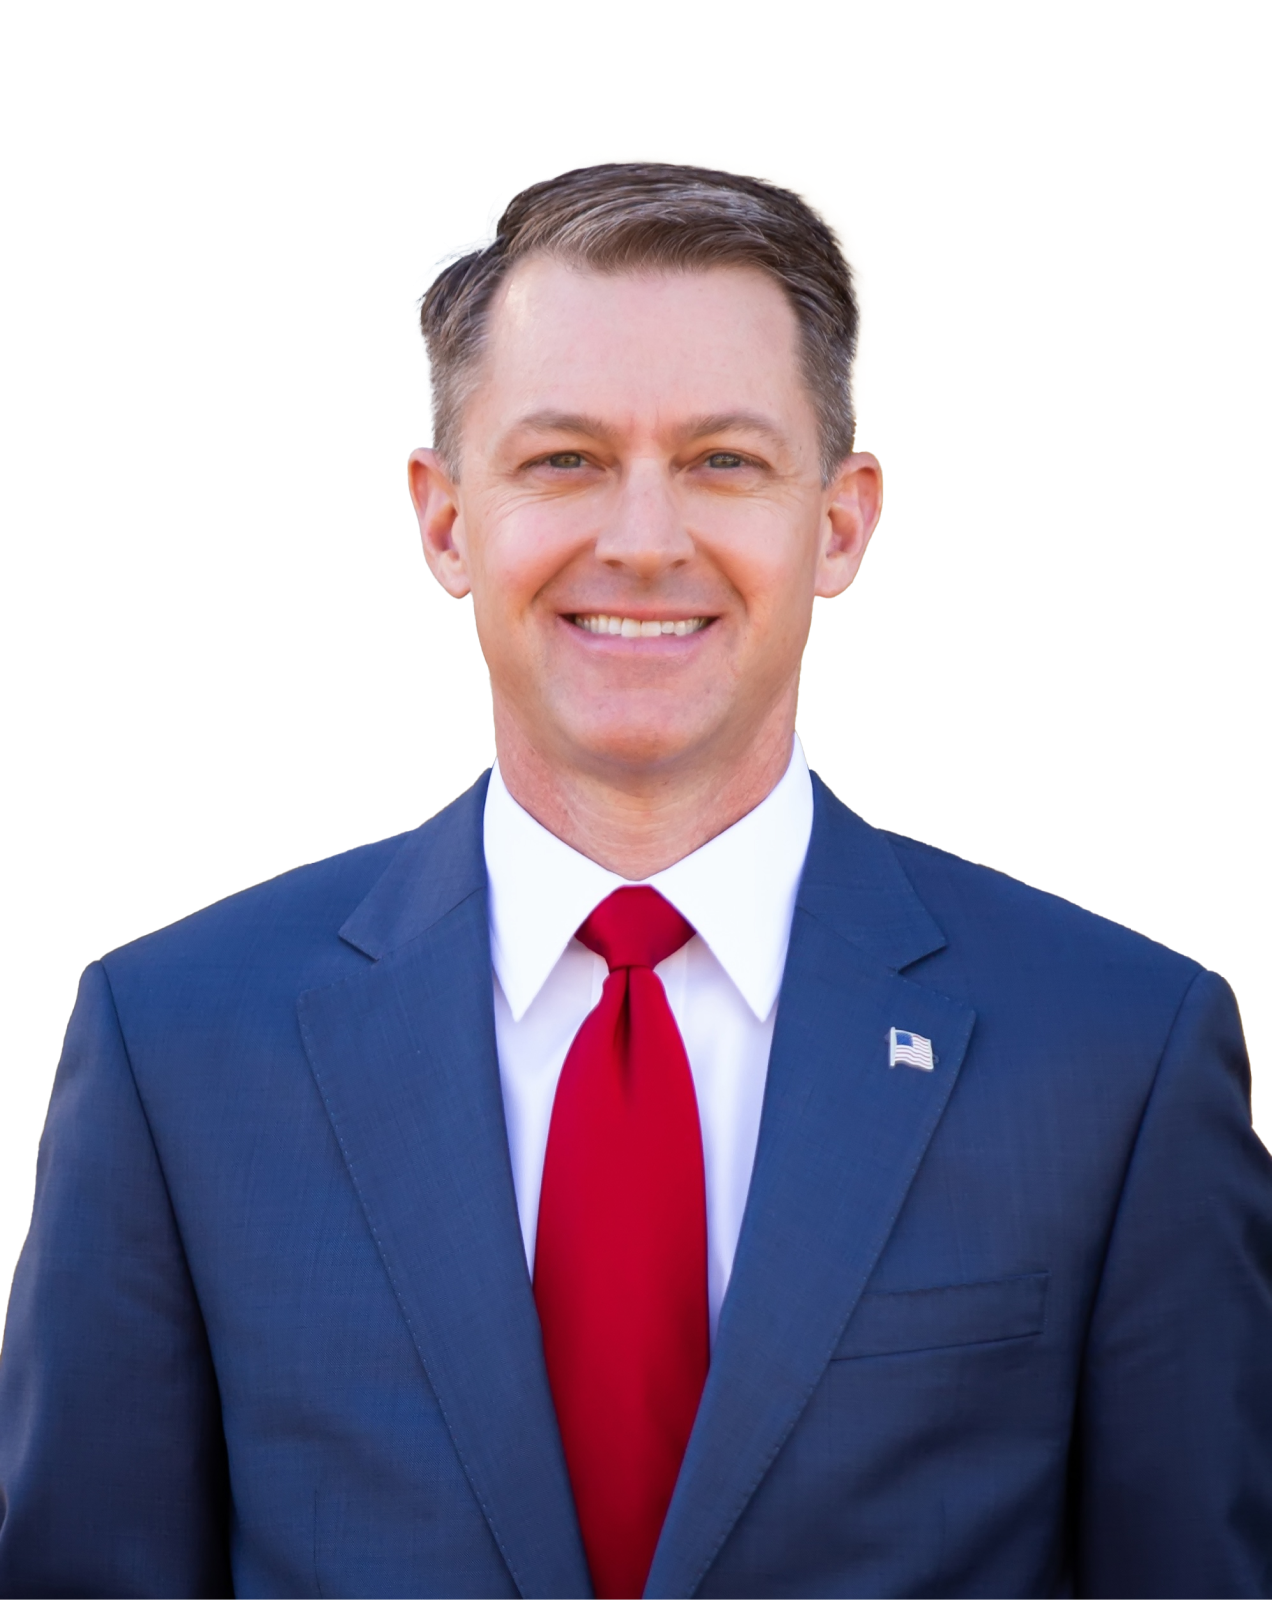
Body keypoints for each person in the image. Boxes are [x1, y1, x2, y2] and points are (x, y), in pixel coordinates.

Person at [1, 154, 1267, 1599]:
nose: (646, 543)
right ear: (444, 518)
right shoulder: (176, 1046)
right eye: (566, 460)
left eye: (724, 461)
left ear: (840, 522)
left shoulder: (1116, 1052)